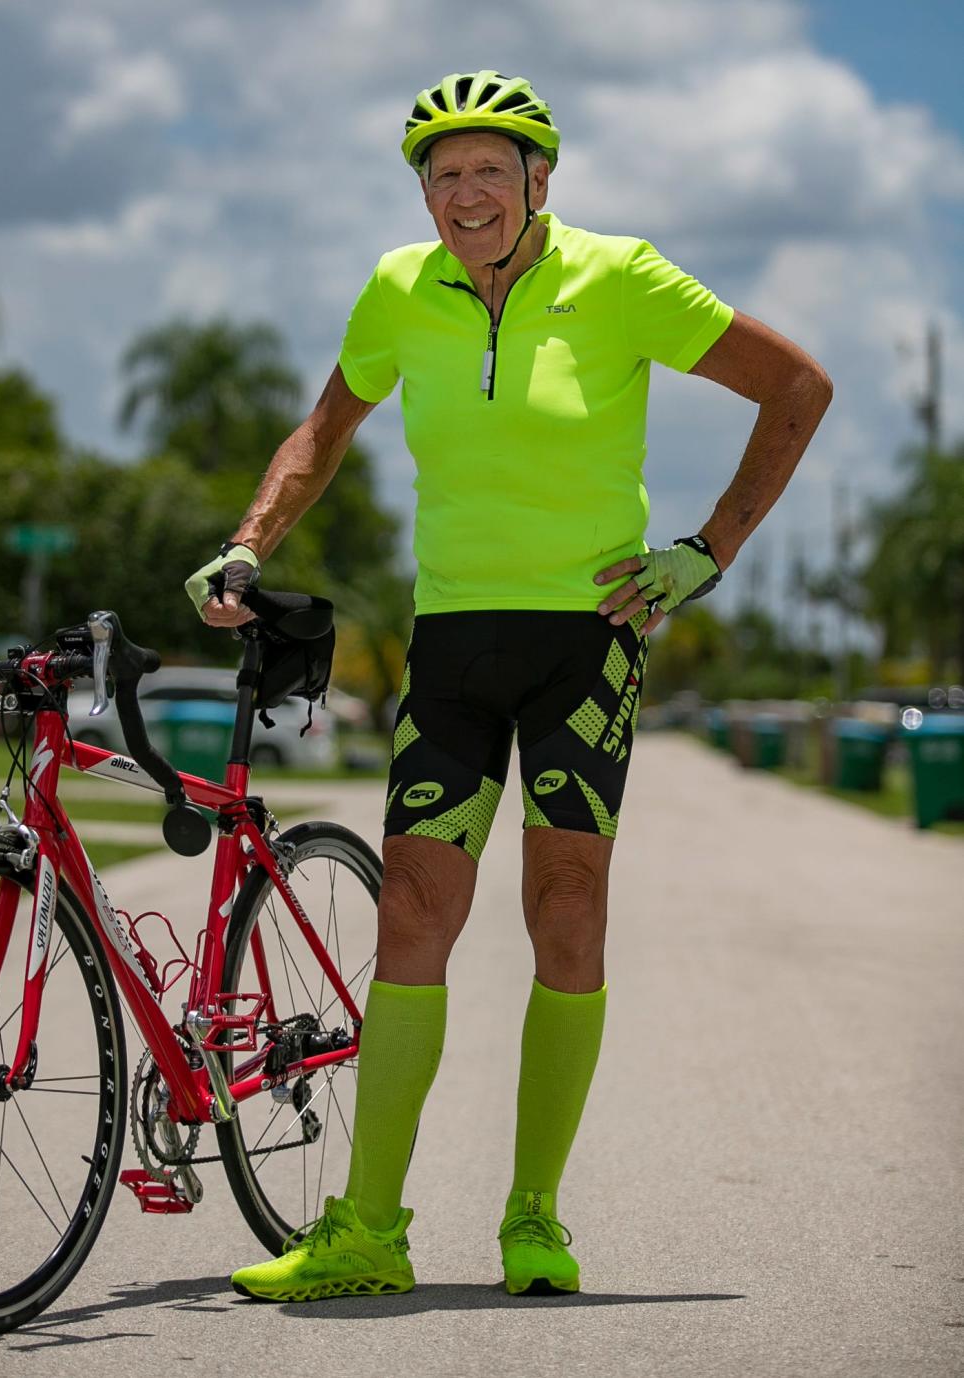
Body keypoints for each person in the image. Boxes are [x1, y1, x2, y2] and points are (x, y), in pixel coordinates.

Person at [185, 70, 832, 1301]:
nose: (465, 194)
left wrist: (708, 550)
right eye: (443, 175)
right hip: (454, 647)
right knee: (414, 915)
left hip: (590, 642)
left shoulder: (621, 277)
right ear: (421, 193)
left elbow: (796, 386)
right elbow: (325, 425)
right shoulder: (397, 288)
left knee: (566, 912)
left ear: (541, 179)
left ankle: (535, 1214)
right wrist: (251, 540)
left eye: (491, 169)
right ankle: (369, 1228)